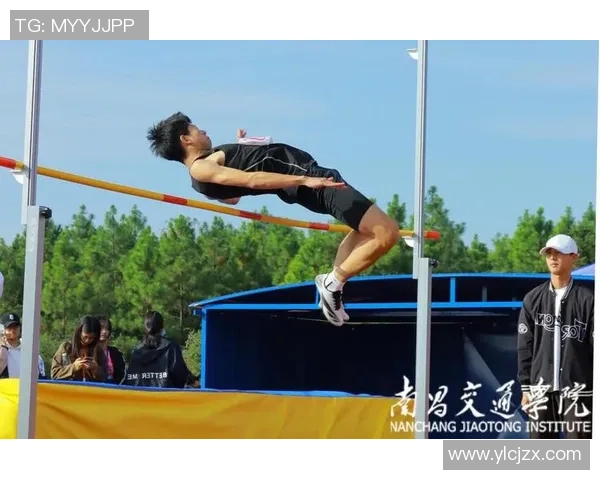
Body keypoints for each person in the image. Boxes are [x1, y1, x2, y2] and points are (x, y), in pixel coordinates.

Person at [146, 112, 400, 326]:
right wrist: (304, 179)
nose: (204, 131)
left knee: (366, 230)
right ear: (186, 139)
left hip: (309, 180)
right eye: (196, 129)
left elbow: (234, 196)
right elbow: (252, 180)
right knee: (387, 232)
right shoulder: (200, 168)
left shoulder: (206, 169)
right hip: (309, 180)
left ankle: (333, 286)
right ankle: (332, 284)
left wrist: (242, 150)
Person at [517, 234, 594, 439]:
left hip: (579, 391)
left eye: (559, 253)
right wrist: (526, 388)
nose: (552, 257)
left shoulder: (589, 300)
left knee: (579, 452)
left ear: (574, 257)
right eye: (549, 253)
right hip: (540, 391)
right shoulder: (532, 299)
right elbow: (525, 347)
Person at [121, 311, 197, 389]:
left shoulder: (137, 350)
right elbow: (181, 374)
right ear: (162, 326)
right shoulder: (171, 347)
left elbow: (130, 380)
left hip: (141, 396)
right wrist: (193, 381)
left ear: (145, 327)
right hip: (165, 395)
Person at [51, 315, 107, 382]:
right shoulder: (66, 348)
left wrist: (95, 369)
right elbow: (54, 374)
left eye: (91, 338)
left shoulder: (98, 350)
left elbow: (105, 377)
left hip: (91, 388)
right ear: (79, 332)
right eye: (85, 337)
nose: (87, 340)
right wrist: (74, 367)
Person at [0, 313, 46, 379]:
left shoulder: (27, 345)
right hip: (6, 385)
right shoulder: (2, 348)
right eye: (9, 327)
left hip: (27, 385)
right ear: (2, 329)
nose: (13, 330)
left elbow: (37, 329)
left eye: (15, 326)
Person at [98, 316, 126, 384]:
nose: (104, 331)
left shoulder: (116, 353)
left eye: (107, 328)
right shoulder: (88, 352)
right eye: (101, 328)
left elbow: (121, 375)